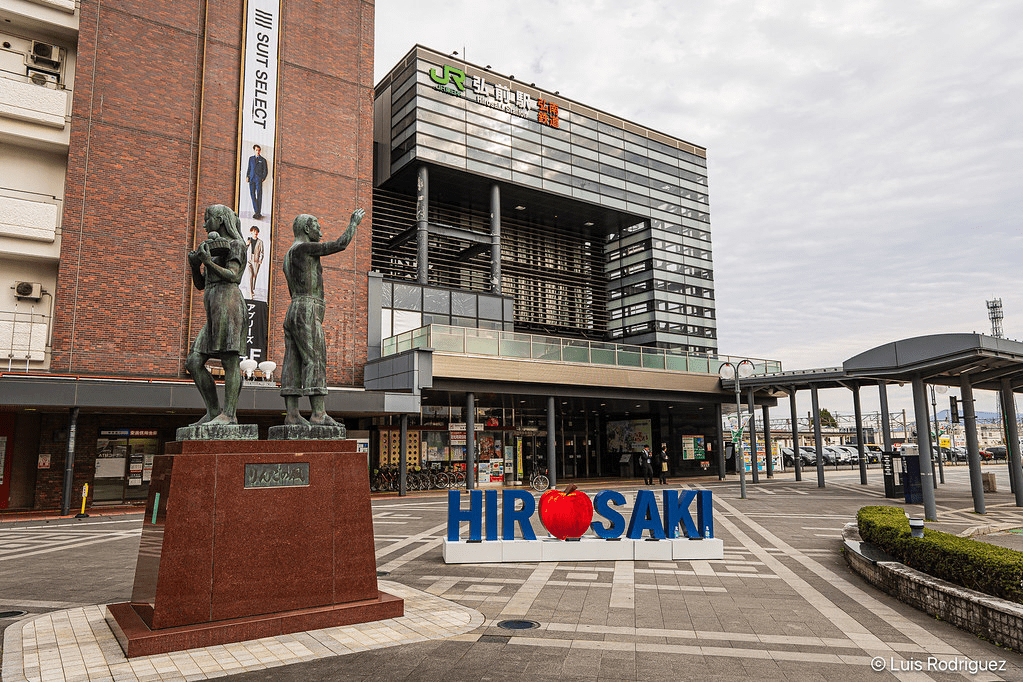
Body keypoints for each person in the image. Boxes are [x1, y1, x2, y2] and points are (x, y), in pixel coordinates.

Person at [280, 209, 365, 425]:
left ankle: (292, 414)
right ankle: (318, 414)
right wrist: (353, 224)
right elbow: (339, 244)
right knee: (315, 359)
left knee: (292, 361)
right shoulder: (305, 248)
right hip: (307, 308)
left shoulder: (288, 254)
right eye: (317, 225)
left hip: (294, 309)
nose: (320, 229)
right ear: (307, 229)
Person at [184, 205, 247, 426]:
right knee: (193, 361)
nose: (204, 224)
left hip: (228, 304)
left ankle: (229, 414)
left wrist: (209, 262)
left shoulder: (237, 245)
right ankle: (213, 412)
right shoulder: (210, 246)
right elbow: (201, 284)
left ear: (219, 220)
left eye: (207, 219)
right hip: (212, 307)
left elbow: (233, 275)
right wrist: (195, 266)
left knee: (230, 360)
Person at [245, 144, 268, 219]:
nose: (258, 151)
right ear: (254, 150)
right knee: (252, 195)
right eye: (256, 150)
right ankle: (257, 211)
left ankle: (257, 212)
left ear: (260, 151)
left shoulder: (263, 160)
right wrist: (247, 176)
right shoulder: (251, 158)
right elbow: (249, 168)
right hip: (251, 179)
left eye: (259, 150)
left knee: (259, 195)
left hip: (258, 179)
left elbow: (265, 170)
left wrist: (263, 178)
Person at [246, 225, 264, 296]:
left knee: (254, 276)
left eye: (256, 231)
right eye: (254, 231)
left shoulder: (260, 242)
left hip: (256, 260)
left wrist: (260, 260)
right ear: (251, 232)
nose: (255, 232)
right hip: (249, 260)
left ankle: (252, 288)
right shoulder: (248, 240)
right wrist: (246, 244)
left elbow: (262, 252)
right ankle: (251, 291)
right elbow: (244, 249)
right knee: (250, 276)